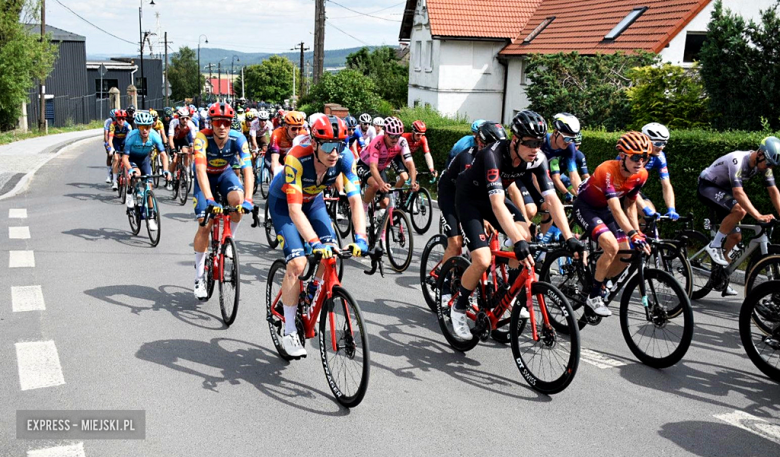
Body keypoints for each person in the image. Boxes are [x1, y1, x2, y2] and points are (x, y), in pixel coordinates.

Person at [450, 111, 583, 340]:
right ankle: (458, 307)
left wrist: (569, 236)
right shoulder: (494, 154)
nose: (535, 148)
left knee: (527, 234)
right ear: (515, 139)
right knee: (482, 258)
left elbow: (551, 200)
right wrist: (517, 240)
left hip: (496, 197)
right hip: (471, 199)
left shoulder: (537, 158)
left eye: (539, 143)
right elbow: (496, 204)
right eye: (530, 143)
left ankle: (507, 291)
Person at [268, 114, 369, 358]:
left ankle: (312, 290)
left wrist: (361, 238)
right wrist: (313, 243)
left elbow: (355, 199)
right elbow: (294, 210)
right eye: (328, 146)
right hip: (284, 204)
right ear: (314, 144)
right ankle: (290, 330)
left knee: (331, 253)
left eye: (340, 145)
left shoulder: (345, 158)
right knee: (298, 262)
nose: (335, 152)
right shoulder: (296, 159)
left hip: (313, 203)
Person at [574, 131, 653, 317]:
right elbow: (616, 209)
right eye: (635, 157)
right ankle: (593, 297)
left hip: (606, 210)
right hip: (587, 207)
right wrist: (633, 233)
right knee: (610, 246)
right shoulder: (607, 170)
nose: (640, 162)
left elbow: (630, 205)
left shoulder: (641, 175)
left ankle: (599, 281)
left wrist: (637, 234)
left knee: (627, 252)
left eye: (645, 157)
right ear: (623, 156)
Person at [192, 103, 254, 300]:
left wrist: (249, 199)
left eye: (226, 122)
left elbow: (248, 170)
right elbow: (200, 170)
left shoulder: (238, 138)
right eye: (218, 122)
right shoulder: (202, 137)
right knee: (205, 224)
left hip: (225, 175)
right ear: (211, 123)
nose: (222, 126)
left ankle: (229, 240)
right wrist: (210, 199)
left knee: (238, 200)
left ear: (231, 124)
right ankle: (199, 277)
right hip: (205, 179)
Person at [698, 136, 780, 269]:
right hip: (708, 186)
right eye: (769, 164)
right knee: (739, 210)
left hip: (724, 192)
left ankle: (720, 274)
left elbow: (773, 191)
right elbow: (738, 193)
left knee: (735, 237)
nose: (769, 167)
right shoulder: (737, 160)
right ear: (760, 153)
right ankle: (714, 245)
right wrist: (758, 216)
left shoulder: (764, 165)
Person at [438, 121, 506, 266]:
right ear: (481, 143)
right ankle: (441, 279)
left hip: (471, 195)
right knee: (456, 242)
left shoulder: (497, 160)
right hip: (451, 193)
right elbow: (466, 193)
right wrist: (483, 217)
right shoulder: (468, 158)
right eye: (493, 146)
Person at [356, 117, 418, 213]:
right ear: (385, 134)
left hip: (380, 169)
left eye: (398, 136)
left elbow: (410, 163)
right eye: (392, 136)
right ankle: (363, 209)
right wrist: (381, 184)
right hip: (364, 165)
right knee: (376, 185)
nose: (395, 139)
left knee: (385, 204)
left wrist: (413, 182)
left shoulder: (402, 142)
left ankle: (382, 226)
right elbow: (373, 167)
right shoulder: (377, 142)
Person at [620, 123, 679, 221]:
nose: (661, 147)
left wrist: (671, 208)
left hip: (633, 190)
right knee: (631, 217)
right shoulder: (631, 155)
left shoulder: (660, 157)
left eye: (664, 143)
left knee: (652, 219)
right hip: (617, 189)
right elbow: (628, 186)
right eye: (658, 143)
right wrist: (645, 208)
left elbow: (666, 185)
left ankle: (636, 235)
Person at [121, 111, 166, 231]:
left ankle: (151, 217)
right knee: (137, 174)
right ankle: (130, 192)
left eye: (147, 127)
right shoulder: (131, 136)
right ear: (138, 127)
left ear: (151, 126)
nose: (145, 130)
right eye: (142, 127)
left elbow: (163, 155)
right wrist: (130, 169)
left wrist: (166, 170)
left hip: (145, 160)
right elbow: (124, 157)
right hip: (132, 159)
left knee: (148, 186)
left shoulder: (155, 136)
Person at [268, 111, 306, 176]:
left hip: (291, 158)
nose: (297, 132)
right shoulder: (277, 134)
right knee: (278, 174)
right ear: (286, 126)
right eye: (293, 128)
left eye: (299, 128)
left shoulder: (303, 134)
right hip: (277, 156)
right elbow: (275, 159)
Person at [167, 107, 197, 179]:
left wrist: (195, 149)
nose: (185, 120)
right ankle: (170, 175)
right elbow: (170, 138)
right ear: (179, 118)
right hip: (174, 140)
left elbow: (194, 139)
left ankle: (186, 171)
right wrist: (173, 149)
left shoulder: (191, 124)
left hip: (183, 139)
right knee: (175, 159)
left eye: (187, 118)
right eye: (183, 118)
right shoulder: (174, 122)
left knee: (186, 153)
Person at [107, 109, 132, 191]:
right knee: (116, 159)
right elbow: (110, 139)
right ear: (116, 119)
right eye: (119, 118)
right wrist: (112, 149)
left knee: (127, 158)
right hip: (116, 142)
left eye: (123, 118)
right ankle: (114, 181)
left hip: (125, 141)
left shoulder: (128, 126)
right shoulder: (112, 125)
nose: (121, 120)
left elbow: (130, 139)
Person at [103, 109, 117, 183]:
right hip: (109, 139)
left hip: (116, 139)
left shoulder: (119, 121)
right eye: (113, 118)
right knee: (109, 155)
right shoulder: (108, 121)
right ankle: (108, 175)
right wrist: (107, 144)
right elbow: (106, 134)